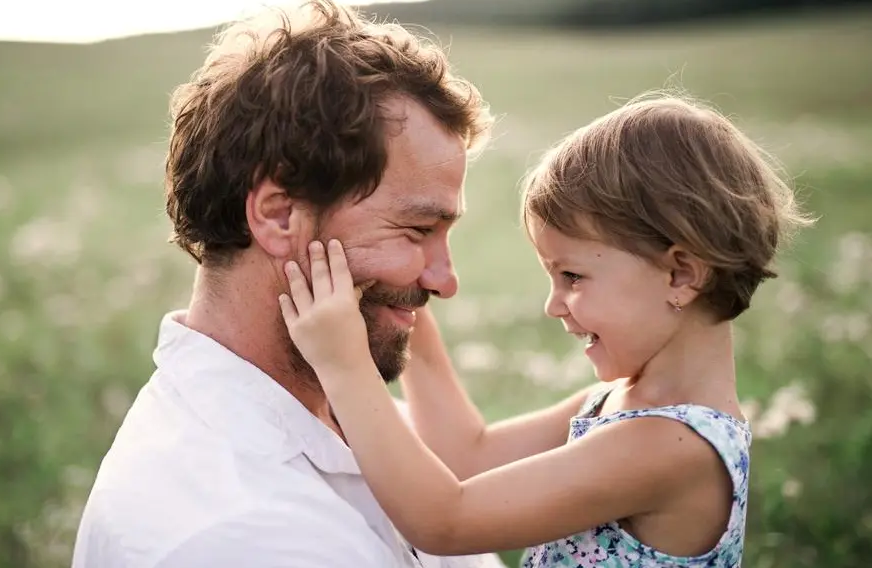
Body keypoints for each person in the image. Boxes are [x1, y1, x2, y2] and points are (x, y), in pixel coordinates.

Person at [278, 94, 814, 567]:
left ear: (680, 274)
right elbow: (467, 455)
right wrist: (407, 293)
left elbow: (446, 521)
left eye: (573, 276)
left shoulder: (671, 447)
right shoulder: (616, 402)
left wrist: (345, 364)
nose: (553, 305)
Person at [70, 0, 504, 568]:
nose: (445, 283)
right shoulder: (238, 533)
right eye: (417, 228)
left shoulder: (359, 415)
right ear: (278, 216)